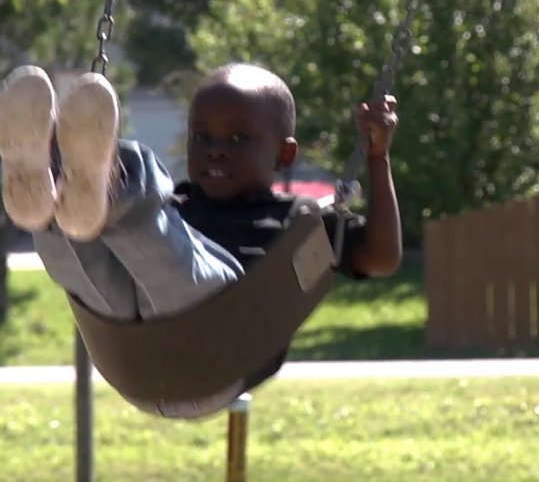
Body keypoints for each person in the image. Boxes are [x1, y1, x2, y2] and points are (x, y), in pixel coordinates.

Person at [0, 62, 402, 417]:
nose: (216, 151)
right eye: (202, 138)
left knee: (145, 221)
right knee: (87, 247)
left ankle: (113, 185)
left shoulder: (300, 223)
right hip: (135, 358)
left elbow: (382, 257)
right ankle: (48, 203)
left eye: (239, 138)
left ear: (285, 155)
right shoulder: (181, 203)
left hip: (219, 351)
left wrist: (377, 159)